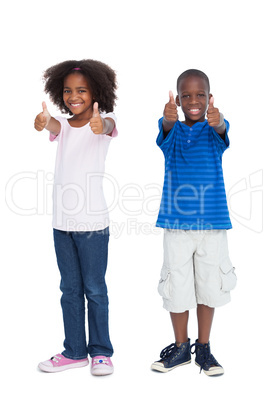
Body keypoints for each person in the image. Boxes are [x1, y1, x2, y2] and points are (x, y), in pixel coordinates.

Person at [34, 59, 118, 375]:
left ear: (97, 92)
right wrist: (43, 120)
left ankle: (101, 352)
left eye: (81, 90)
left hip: (93, 225)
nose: (74, 96)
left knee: (95, 289)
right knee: (69, 289)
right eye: (68, 91)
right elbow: (52, 124)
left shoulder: (105, 122)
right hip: (62, 225)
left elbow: (107, 127)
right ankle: (74, 351)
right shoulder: (64, 125)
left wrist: (101, 124)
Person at [151, 69, 236, 376]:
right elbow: (166, 125)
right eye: (185, 95)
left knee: (209, 287)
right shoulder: (170, 133)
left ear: (209, 97)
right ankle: (180, 347)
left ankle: (204, 347)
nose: (193, 100)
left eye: (200, 94)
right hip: (176, 226)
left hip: (212, 226)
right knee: (176, 288)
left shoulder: (215, 132)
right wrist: (169, 117)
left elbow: (222, 127)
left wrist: (219, 120)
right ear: (178, 99)